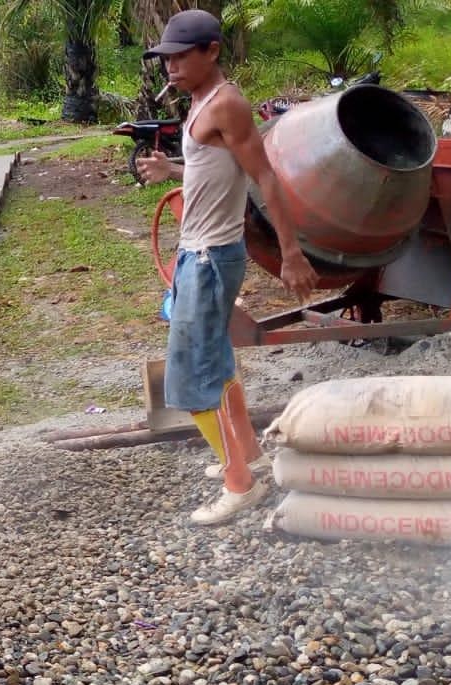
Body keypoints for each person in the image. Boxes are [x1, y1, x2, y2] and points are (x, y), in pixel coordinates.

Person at [135, 9, 317, 526]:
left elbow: (265, 177)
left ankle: (241, 485)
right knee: (216, 364)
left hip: (213, 256)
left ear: (211, 51)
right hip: (199, 251)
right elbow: (213, 168)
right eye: (165, 58)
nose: (170, 66)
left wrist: (292, 253)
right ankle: (249, 459)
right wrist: (171, 169)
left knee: (191, 379)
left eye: (180, 56)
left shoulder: (228, 104)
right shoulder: (199, 104)